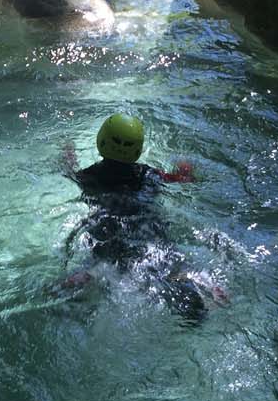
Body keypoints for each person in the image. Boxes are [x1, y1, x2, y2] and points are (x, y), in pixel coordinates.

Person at [59, 113, 224, 318]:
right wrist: (185, 165)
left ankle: (91, 274)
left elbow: (68, 170)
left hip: (109, 230)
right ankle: (196, 281)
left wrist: (67, 155)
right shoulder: (150, 175)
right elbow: (184, 178)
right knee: (166, 258)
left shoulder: (86, 177)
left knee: (106, 255)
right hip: (149, 229)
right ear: (137, 150)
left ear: (100, 141)